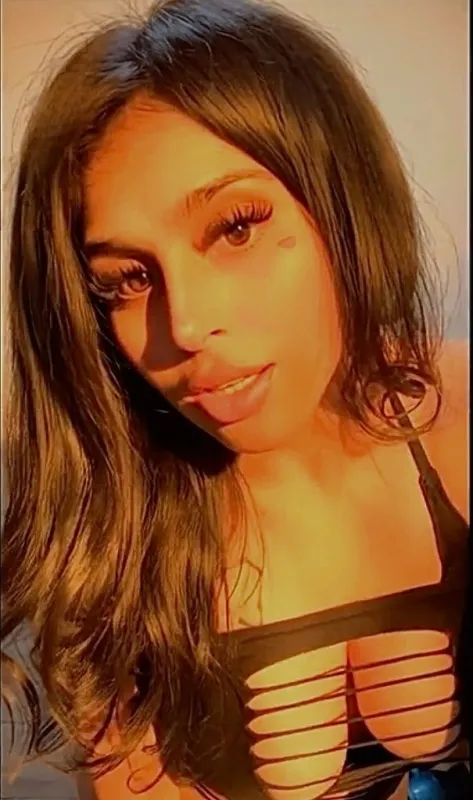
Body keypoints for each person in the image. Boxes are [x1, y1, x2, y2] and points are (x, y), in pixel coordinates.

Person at [1, 0, 469, 799]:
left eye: (236, 228)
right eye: (125, 281)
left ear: (341, 198)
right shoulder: (114, 525)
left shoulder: (456, 413)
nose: (184, 325)